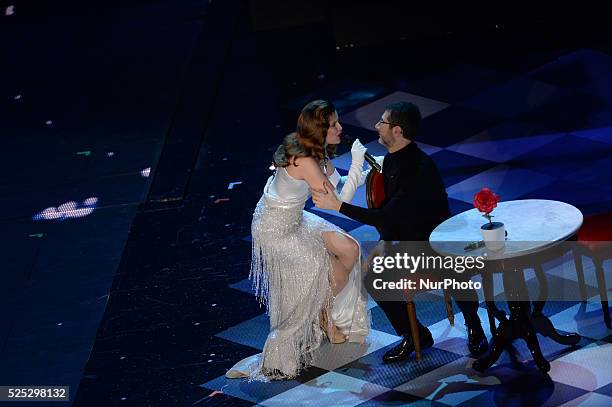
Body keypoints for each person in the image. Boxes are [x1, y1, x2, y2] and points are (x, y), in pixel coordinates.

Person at [312, 101, 487, 363]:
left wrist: (339, 206)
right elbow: (392, 218)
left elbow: (385, 216)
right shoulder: (393, 161)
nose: (376, 126)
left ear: (397, 131)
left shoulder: (418, 169)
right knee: (373, 276)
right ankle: (414, 333)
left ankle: (474, 325)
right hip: (409, 243)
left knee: (451, 267)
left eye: (382, 122)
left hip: (437, 243)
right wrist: (383, 244)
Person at [226, 100, 370, 381]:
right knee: (329, 275)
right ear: (319, 130)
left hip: (295, 218)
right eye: (334, 125)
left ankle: (325, 315)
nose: (340, 128)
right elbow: (338, 203)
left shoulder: (317, 150)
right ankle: (311, 325)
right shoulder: (304, 159)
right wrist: (356, 162)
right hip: (275, 230)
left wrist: (368, 172)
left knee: (351, 248)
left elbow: (336, 184)